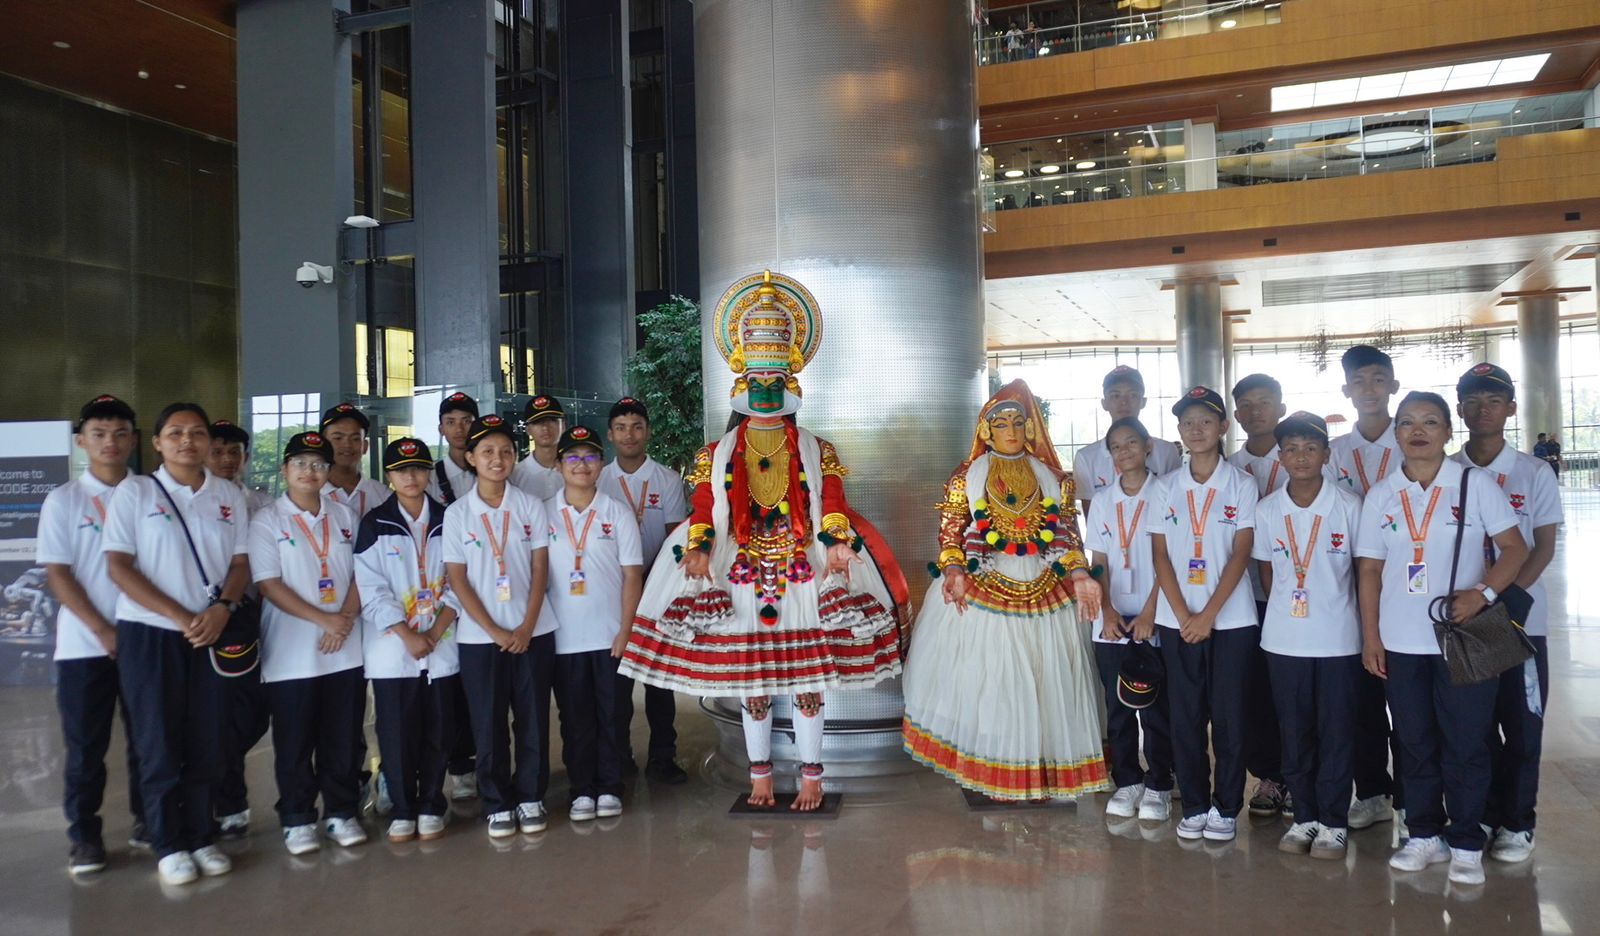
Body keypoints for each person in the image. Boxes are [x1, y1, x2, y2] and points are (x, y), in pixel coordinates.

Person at [619, 270, 908, 812]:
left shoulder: (818, 450)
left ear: (793, 380)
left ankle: (812, 777)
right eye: (759, 381)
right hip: (741, 566)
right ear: (742, 383)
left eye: (777, 379)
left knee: (806, 682)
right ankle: (758, 775)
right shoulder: (716, 453)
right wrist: (700, 548)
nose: (768, 391)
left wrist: (839, 544)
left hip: (804, 565)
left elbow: (835, 505)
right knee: (752, 685)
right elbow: (706, 507)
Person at [904, 381, 1108, 803]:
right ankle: (992, 771)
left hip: (1046, 588)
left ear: (1031, 428)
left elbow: (1067, 535)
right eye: (1001, 422)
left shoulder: (1053, 478)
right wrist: (955, 568)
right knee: (987, 679)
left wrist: (1080, 574)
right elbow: (951, 533)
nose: (1011, 429)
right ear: (986, 430)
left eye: (1019, 421)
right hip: (983, 587)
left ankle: (1039, 776)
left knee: (1045, 679)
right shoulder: (966, 477)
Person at [1356, 391, 1528, 886]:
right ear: (1397, 434)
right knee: (1413, 742)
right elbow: (1369, 569)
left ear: (1449, 432)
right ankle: (1424, 835)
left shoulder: (1475, 485)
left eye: (1431, 421)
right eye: (1408, 422)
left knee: (1468, 742)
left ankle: (1468, 839)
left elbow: (1514, 548)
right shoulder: (1383, 494)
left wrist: (1485, 592)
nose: (1418, 430)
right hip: (1402, 641)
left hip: (1464, 639)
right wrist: (1372, 635)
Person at [104, 403, 249, 886]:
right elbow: (119, 567)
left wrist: (221, 609)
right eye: (175, 432)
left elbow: (240, 565)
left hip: (212, 630)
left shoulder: (227, 495)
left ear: (209, 442)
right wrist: (182, 616)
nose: (187, 440)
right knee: (158, 739)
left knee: (208, 737)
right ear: (159, 443)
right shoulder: (136, 491)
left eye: (196, 433)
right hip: (152, 634)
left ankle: (201, 833)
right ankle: (168, 841)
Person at [1450, 363, 1562, 864]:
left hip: (1517, 623)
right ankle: (1485, 814)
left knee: (1521, 724)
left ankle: (1518, 822)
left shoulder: (1533, 471)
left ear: (1511, 408)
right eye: (1472, 400)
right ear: (1460, 410)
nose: (1482, 409)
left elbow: (1541, 546)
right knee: (1473, 728)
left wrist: (1503, 600)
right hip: (1465, 627)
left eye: (1493, 400)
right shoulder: (1447, 471)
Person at [38, 395, 147, 875]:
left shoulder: (149, 494)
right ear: (81, 441)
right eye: (99, 434)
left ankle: (150, 820)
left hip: (146, 641)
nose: (110, 442)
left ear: (135, 440)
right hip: (85, 646)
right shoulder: (64, 500)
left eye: (120, 433)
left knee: (150, 739)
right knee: (86, 747)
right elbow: (58, 574)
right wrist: (102, 629)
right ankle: (84, 836)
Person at [1147, 386, 1259, 842]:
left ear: (1222, 427)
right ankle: (1194, 803)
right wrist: (1181, 613)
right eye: (1188, 423)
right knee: (1185, 715)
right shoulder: (1166, 486)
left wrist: (1208, 614)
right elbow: (1160, 555)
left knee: (1230, 717)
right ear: (1179, 431)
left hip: (1230, 620)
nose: (1196, 430)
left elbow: (1241, 552)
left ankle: (1227, 806)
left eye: (1206, 422)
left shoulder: (1241, 484)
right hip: (1178, 621)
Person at [1250, 412, 1364, 860]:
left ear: (1326, 455)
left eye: (1310, 448)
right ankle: (1305, 818)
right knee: (1293, 730)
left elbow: (1361, 571)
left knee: (1336, 730)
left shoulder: (1348, 506)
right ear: (1280, 458)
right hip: (1283, 639)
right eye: (1292, 449)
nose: (1301, 457)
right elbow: (1266, 571)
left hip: (1338, 638)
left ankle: (1334, 822)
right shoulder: (1267, 510)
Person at [248, 432, 367, 855]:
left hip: (347, 650)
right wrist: (325, 620)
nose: (310, 472)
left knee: (342, 737)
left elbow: (361, 573)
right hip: (291, 654)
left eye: (318, 465)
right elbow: (268, 584)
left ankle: (342, 812)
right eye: (300, 464)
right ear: (284, 470)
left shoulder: (345, 515)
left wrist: (345, 619)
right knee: (294, 742)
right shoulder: (267, 520)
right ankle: (297, 818)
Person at [444, 413, 557, 837]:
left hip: (534, 631)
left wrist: (526, 626)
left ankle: (530, 797)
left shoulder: (529, 506)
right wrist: (495, 631)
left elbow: (540, 567)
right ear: (471, 457)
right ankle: (496, 802)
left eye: (506, 451)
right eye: (488, 452)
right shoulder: (457, 514)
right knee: (487, 723)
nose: (498, 459)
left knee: (532, 718)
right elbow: (457, 579)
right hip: (479, 638)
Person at [356, 438, 461, 844]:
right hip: (392, 650)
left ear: (428, 474)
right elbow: (370, 586)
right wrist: (405, 634)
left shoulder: (449, 519)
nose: (412, 476)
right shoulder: (375, 523)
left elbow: (459, 579)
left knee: (439, 729)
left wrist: (434, 632)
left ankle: (432, 803)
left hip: (442, 643)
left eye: (418, 468)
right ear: (389, 477)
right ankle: (402, 808)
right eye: (402, 470)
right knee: (395, 732)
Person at [546, 425, 645, 821]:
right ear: (559, 466)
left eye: (589, 457)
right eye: (573, 457)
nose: (581, 465)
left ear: (601, 465)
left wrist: (625, 629)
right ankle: (581, 789)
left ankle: (609, 786)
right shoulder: (542, 514)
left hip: (610, 637)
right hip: (563, 638)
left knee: (613, 714)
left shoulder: (617, 513)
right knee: (574, 719)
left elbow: (632, 576)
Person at [1327, 345, 1404, 832]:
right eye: (1360, 381)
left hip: (1413, 589)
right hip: (1355, 590)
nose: (1370, 389)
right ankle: (1372, 790)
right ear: (1347, 390)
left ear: (1393, 386)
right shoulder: (1334, 453)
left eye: (1379, 379)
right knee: (1364, 702)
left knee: (1416, 704)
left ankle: (1419, 798)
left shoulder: (1417, 440)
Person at [1083, 416, 1172, 819]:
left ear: (1148, 445)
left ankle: (1159, 784)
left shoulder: (1167, 493)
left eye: (1131, 443)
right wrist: (1105, 609)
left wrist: (1152, 610)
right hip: (1113, 618)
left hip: (1157, 614)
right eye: (1116, 447)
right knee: (1117, 707)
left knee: (1156, 707)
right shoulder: (1103, 501)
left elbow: (1168, 560)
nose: (1124, 452)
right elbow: (1097, 560)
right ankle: (1128, 781)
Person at [598, 397, 690, 784]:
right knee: (615, 686)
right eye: (621, 427)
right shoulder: (599, 478)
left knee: (659, 683)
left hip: (656, 591)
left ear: (647, 432)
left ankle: (662, 757)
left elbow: (675, 540)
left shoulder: (666, 479)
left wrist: (657, 584)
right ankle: (619, 757)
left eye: (637, 426)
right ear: (610, 434)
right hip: (611, 594)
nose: (629, 434)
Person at [1227, 374, 1289, 818]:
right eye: (1245, 405)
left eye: (1264, 402)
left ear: (1280, 407)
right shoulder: (1227, 469)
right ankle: (1269, 776)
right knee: (1256, 694)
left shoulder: (1305, 458)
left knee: (1299, 692)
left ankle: (1306, 776)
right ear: (1235, 415)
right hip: (1246, 599)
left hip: (1300, 597)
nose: (1254, 412)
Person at [206, 419, 272, 839]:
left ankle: (222, 783)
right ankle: (229, 801)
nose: (228, 460)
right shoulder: (194, 503)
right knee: (215, 715)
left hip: (255, 620)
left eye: (235, 452)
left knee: (253, 716)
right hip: (209, 620)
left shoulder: (262, 504)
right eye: (219, 452)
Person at [426, 391, 480, 803]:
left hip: (490, 597)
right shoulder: (425, 478)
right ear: (441, 428)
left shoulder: (495, 470)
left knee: (483, 687)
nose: (460, 428)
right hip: (443, 594)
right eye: (452, 421)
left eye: (467, 420)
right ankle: (458, 765)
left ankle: (483, 761)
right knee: (447, 689)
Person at [1072, 364, 1183, 516]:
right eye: (1115, 396)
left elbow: (1176, 506)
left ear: (1143, 401)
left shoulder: (1166, 451)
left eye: (1132, 395)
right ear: (1104, 403)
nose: (1124, 402)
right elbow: (1091, 518)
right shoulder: (1086, 457)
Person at [319, 402, 390, 519]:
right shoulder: (311, 493)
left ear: (365, 446)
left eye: (355, 439)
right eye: (338, 438)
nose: (347, 444)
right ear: (323, 445)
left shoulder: (383, 495)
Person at [207, 420, 273, 515]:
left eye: (234, 452)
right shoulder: (193, 501)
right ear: (202, 458)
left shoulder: (264, 504)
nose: (227, 459)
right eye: (217, 452)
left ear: (245, 458)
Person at [511, 395, 566, 502]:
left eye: (552, 420)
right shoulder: (515, 476)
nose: (545, 427)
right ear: (527, 430)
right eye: (537, 422)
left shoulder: (576, 470)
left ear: (563, 425)